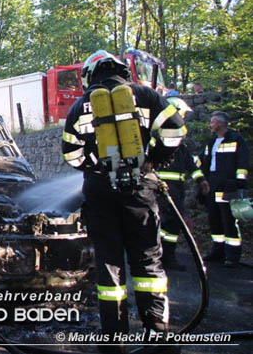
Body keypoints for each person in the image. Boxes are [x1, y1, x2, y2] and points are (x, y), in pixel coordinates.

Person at [62, 50, 185, 352]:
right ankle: (157, 336)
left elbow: (70, 154)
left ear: (89, 76)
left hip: (100, 193)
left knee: (109, 266)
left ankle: (113, 341)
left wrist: (94, 168)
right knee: (147, 263)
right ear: (123, 70)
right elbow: (176, 131)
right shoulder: (145, 95)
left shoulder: (79, 106)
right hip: (140, 190)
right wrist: (151, 160)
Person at [156, 97, 210, 271]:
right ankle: (158, 257)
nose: (184, 118)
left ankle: (168, 257)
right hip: (160, 188)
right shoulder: (156, 138)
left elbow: (190, 165)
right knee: (161, 222)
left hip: (175, 190)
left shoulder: (179, 143)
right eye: (183, 114)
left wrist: (201, 180)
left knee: (172, 224)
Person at [200, 111, 250, 267]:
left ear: (221, 124)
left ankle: (232, 256)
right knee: (214, 219)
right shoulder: (211, 142)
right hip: (213, 184)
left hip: (228, 186)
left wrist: (238, 183)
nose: (210, 125)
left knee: (228, 220)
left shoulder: (236, 140)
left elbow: (243, 163)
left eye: (212, 122)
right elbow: (204, 162)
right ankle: (218, 252)